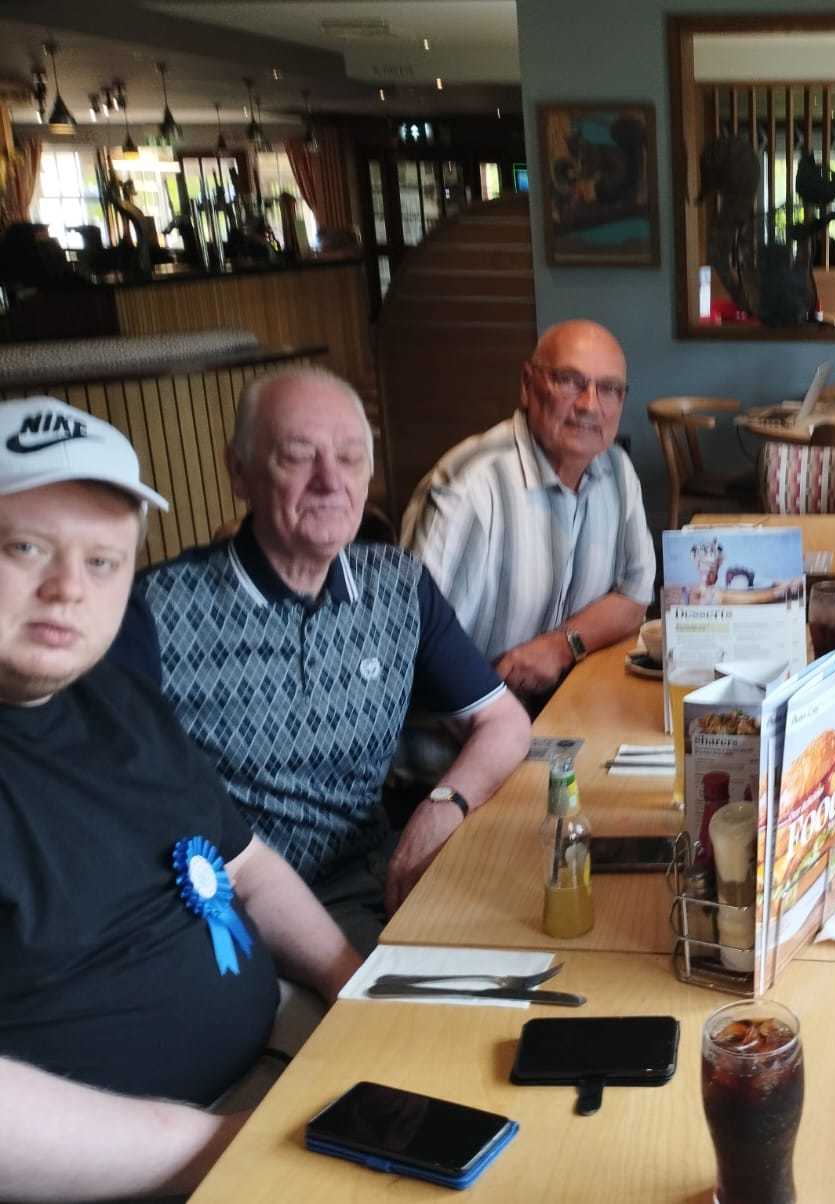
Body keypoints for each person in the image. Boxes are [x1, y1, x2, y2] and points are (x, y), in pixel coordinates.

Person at [0, 397, 361, 1200]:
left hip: (277, 1064)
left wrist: (360, 989)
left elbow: (250, 869)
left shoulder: (120, 700)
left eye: (102, 562)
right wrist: (233, 1148)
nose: (68, 588)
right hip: (134, 1169)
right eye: (25, 547)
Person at [117, 368, 530, 951]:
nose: (330, 481)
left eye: (350, 457)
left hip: (368, 884)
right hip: (226, 919)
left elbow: (503, 721)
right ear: (240, 472)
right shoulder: (151, 612)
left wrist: (445, 804)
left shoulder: (397, 585)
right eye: (297, 456)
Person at [401, 319, 654, 736]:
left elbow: (635, 595)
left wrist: (561, 646)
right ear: (527, 384)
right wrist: (506, 724)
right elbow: (416, 653)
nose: (590, 404)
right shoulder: (468, 490)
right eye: (570, 381)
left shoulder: (616, 470)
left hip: (564, 721)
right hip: (457, 751)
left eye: (609, 389)